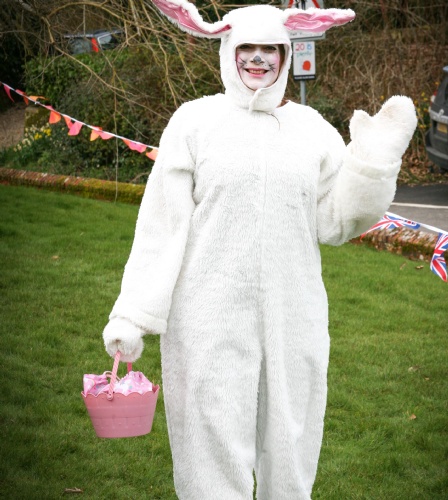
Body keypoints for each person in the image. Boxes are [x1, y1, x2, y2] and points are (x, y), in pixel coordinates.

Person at [102, 2, 417, 499]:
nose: (257, 59)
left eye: (270, 48)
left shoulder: (312, 129)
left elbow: (335, 222)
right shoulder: (194, 123)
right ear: (228, 50)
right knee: (209, 445)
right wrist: (133, 315)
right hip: (206, 317)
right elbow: (162, 226)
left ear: (286, 55)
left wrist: (373, 165)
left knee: (290, 444)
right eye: (246, 47)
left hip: (294, 317)